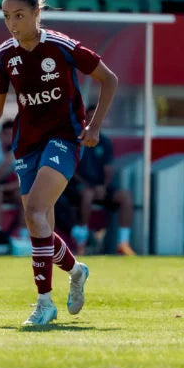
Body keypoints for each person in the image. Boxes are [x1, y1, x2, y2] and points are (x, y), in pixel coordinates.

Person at [0, 0, 119, 326]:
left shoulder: (61, 47)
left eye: (19, 15)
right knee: (39, 223)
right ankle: (76, 271)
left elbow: (109, 80)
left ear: (36, 13)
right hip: (26, 144)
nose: (12, 23)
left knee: (35, 214)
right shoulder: (3, 56)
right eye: (6, 17)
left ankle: (44, 304)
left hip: (64, 138)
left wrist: (93, 126)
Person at [69, 105, 135, 256]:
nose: (93, 121)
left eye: (96, 118)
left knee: (125, 197)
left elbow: (108, 170)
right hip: (78, 187)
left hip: (100, 187)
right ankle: (82, 242)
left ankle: (123, 243)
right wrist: (90, 187)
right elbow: (71, 169)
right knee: (87, 194)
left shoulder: (105, 142)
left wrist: (103, 187)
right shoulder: (76, 141)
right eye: (90, 117)